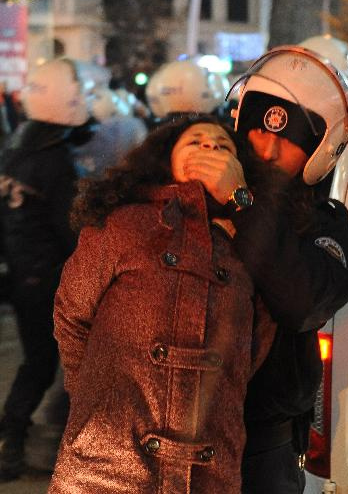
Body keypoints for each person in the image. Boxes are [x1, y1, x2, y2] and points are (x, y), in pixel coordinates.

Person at [48, 115, 276, 494]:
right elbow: (72, 313)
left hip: (208, 469)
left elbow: (255, 346)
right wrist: (91, 394)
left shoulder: (250, 242)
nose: (209, 148)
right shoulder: (123, 223)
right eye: (195, 142)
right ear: (165, 160)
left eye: (223, 146)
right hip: (106, 465)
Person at [182, 46, 348, 493]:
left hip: (261, 446)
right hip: (172, 431)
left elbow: (301, 301)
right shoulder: (197, 199)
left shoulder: (330, 228)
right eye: (257, 131)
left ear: (322, 152)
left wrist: (242, 204)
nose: (265, 149)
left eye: (288, 139)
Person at [0, 57, 95, 481]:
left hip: (21, 273)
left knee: (38, 360)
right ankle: (12, 440)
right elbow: (69, 228)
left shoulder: (15, 150)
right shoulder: (54, 160)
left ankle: (17, 435)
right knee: (43, 362)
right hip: (47, 278)